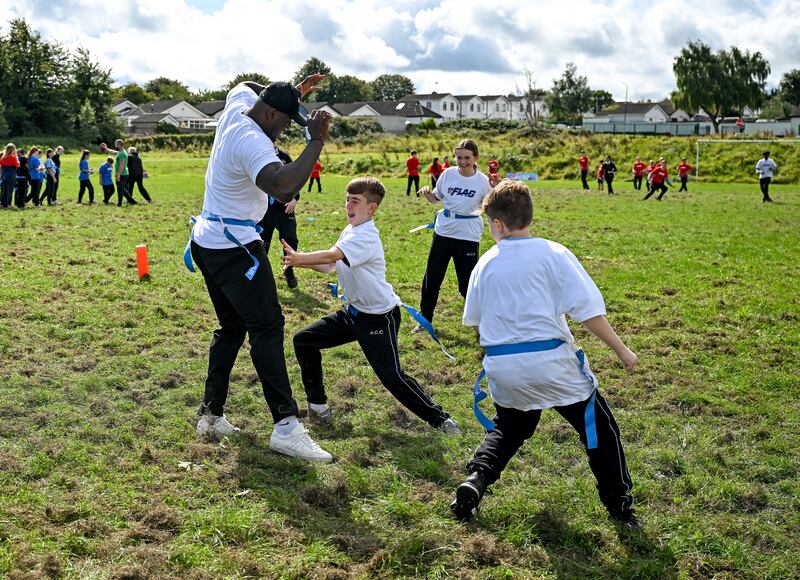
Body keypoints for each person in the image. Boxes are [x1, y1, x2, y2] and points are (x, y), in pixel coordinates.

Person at [449, 180, 638, 528]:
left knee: (509, 427)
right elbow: (587, 312)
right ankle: (620, 507)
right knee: (598, 428)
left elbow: (474, 321)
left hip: (502, 366)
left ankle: (475, 480)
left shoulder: (485, 263)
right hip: (553, 364)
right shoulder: (554, 253)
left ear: (498, 224)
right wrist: (622, 351)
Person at [186, 75, 334, 463]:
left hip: (208, 240)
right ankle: (286, 426)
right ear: (269, 113)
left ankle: (211, 414)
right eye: (284, 123)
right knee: (267, 326)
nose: (282, 134)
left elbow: (248, 81)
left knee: (232, 328)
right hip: (234, 250)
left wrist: (293, 93)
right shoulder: (251, 140)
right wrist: (315, 141)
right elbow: (283, 187)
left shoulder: (238, 104)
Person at [283, 176, 460, 434]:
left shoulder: (365, 236)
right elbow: (332, 266)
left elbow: (332, 256)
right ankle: (318, 407)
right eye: (346, 200)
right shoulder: (351, 230)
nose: (347, 205)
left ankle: (440, 419)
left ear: (371, 208)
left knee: (392, 377)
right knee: (304, 340)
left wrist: (300, 258)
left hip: (378, 317)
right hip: (352, 314)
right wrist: (297, 261)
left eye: (355, 201)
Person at [414, 139, 494, 327]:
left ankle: (479, 322)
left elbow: (492, 206)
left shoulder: (483, 181)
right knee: (432, 278)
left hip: (467, 236)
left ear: (475, 158)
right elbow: (436, 199)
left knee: (466, 283)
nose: (462, 161)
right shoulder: (447, 174)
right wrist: (428, 195)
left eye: (467, 157)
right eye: (459, 157)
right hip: (443, 232)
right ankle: (425, 319)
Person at [259, 148, 301, 289]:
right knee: (261, 244)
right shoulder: (257, 153)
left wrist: (294, 198)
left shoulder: (283, 157)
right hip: (263, 211)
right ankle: (260, 276)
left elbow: (294, 179)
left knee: (291, 240)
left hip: (285, 209)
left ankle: (288, 270)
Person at [100, 139, 137, 206]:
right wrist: (106, 148)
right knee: (122, 189)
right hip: (123, 174)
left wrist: (118, 175)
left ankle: (120, 203)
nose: (115, 146)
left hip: (122, 174)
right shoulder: (121, 152)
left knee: (120, 189)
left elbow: (121, 165)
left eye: (116, 145)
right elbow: (113, 152)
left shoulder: (122, 154)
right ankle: (132, 201)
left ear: (119, 145)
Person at [0, 143, 19, 208]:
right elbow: (17, 165)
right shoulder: (12, 157)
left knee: (4, 190)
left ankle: (2, 204)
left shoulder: (2, 157)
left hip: (4, 175)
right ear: (12, 149)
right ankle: (8, 204)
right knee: (10, 191)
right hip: (11, 175)